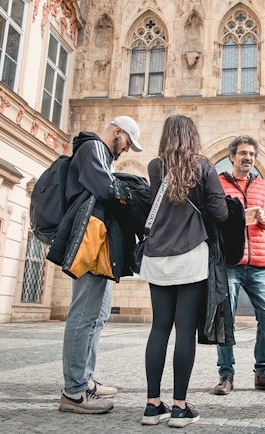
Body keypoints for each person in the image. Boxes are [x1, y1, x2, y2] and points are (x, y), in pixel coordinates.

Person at [139, 115, 228, 428]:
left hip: (156, 256)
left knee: (159, 328)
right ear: (192, 137)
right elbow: (220, 212)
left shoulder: (154, 166)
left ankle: (152, 405)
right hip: (190, 255)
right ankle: (179, 406)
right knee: (184, 329)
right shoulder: (203, 168)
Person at [59, 116, 143, 414]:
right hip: (90, 243)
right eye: (127, 144)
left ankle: (84, 379)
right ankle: (74, 391)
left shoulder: (102, 154)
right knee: (83, 315)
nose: (126, 151)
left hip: (100, 244)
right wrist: (128, 191)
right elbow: (105, 190)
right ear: (117, 132)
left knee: (98, 314)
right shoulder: (93, 147)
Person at [212, 135, 265, 395]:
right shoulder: (219, 184)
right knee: (226, 318)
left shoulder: (262, 185)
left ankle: (263, 373)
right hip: (230, 261)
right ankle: (226, 375)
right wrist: (236, 220)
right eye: (243, 153)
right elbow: (214, 219)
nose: (248, 158)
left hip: (258, 262)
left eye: (252, 154)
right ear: (232, 156)